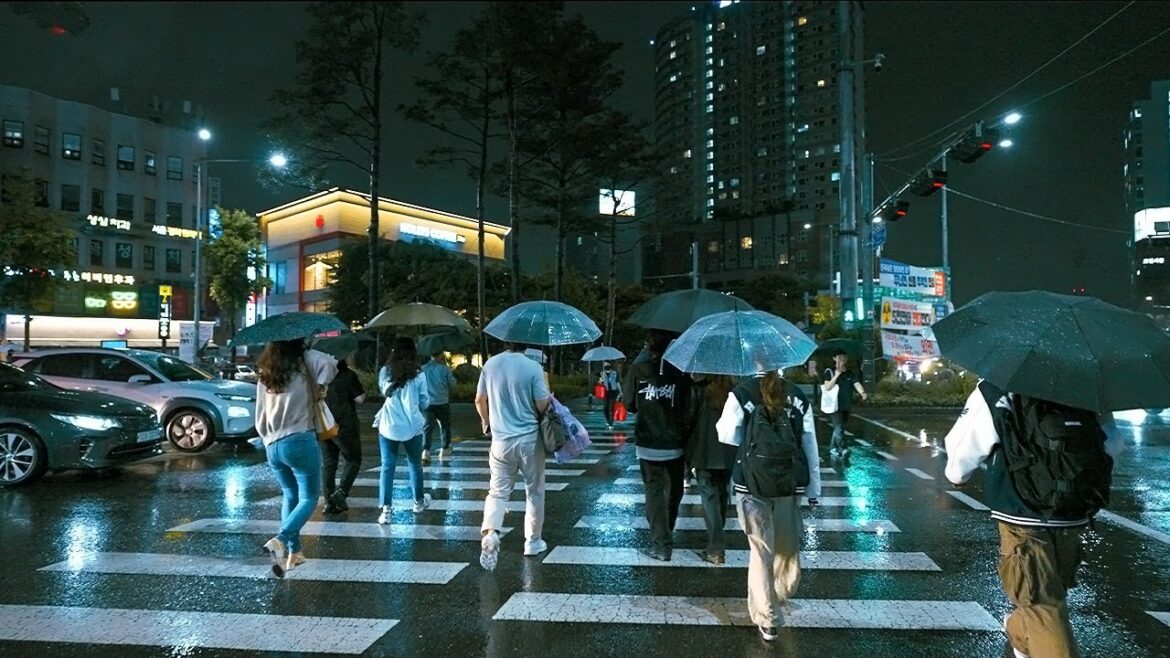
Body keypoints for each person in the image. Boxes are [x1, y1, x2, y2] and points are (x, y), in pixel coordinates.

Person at [944, 380, 1123, 658]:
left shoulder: (996, 388)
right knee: (1047, 597)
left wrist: (957, 476)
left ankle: (1028, 634)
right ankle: (1020, 634)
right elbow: (1112, 444)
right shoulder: (1086, 388)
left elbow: (964, 448)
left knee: (1041, 603)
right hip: (1074, 509)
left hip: (1021, 509)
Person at [716, 369, 820, 642]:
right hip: (788, 483)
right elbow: (809, 442)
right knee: (786, 545)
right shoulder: (797, 395)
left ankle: (768, 618)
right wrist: (814, 489)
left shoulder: (741, 394)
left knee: (761, 550)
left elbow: (725, 434)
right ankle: (782, 588)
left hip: (752, 483)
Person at [254, 338, 338, 577]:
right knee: (310, 497)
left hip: (272, 443)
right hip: (299, 439)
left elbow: (259, 411)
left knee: (290, 495)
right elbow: (331, 364)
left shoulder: (266, 372)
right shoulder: (305, 360)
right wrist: (321, 385)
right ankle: (281, 539)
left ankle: (295, 552)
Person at [476, 342, 552, 570]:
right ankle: (533, 542)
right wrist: (546, 388)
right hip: (529, 440)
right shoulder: (532, 367)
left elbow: (480, 399)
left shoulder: (490, 364)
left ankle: (490, 532)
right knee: (534, 491)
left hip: (500, 441)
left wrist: (487, 422)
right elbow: (542, 405)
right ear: (526, 344)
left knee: (497, 492)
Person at [623, 329, 691, 561]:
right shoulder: (681, 371)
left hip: (647, 440)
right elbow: (687, 406)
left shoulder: (637, 369)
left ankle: (660, 542)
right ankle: (666, 531)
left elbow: (630, 403)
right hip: (675, 440)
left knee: (653, 490)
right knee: (674, 490)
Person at [374, 337, 432, 524]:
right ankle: (418, 502)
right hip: (412, 427)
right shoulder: (419, 375)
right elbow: (425, 401)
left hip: (388, 425)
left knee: (387, 467)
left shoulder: (385, 371)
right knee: (414, 464)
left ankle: (386, 511)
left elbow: (383, 392)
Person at [688, 373, 738, 564]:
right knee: (722, 494)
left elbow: (689, 417)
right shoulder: (735, 389)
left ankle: (716, 546)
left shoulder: (700, 389)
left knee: (709, 498)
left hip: (705, 450)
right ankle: (716, 535)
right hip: (728, 450)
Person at [321, 357, 365, 514]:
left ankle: (328, 502)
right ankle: (341, 493)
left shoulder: (321, 375)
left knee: (329, 463)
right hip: (345, 425)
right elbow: (360, 398)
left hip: (324, 423)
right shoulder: (348, 375)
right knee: (353, 459)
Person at [822, 350, 868, 460]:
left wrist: (862, 393)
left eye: (844, 358)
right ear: (834, 359)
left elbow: (856, 383)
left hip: (846, 405)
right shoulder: (829, 371)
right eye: (839, 357)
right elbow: (827, 387)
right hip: (834, 405)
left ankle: (833, 448)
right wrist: (836, 375)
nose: (842, 360)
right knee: (838, 427)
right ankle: (843, 448)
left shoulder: (850, 373)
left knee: (840, 428)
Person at [420, 351, 457, 463]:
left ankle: (426, 450)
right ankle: (444, 448)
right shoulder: (445, 369)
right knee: (445, 425)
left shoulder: (423, 368)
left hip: (427, 403)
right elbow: (452, 384)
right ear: (440, 355)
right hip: (442, 401)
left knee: (427, 427)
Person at [598, 361, 622, 430]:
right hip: (605, 393)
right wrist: (600, 380)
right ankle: (608, 420)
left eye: (607, 364)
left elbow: (617, 383)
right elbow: (599, 383)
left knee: (611, 408)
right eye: (604, 365)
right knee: (605, 408)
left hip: (613, 393)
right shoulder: (602, 373)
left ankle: (611, 423)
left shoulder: (615, 373)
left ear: (610, 365)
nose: (606, 366)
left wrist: (620, 392)